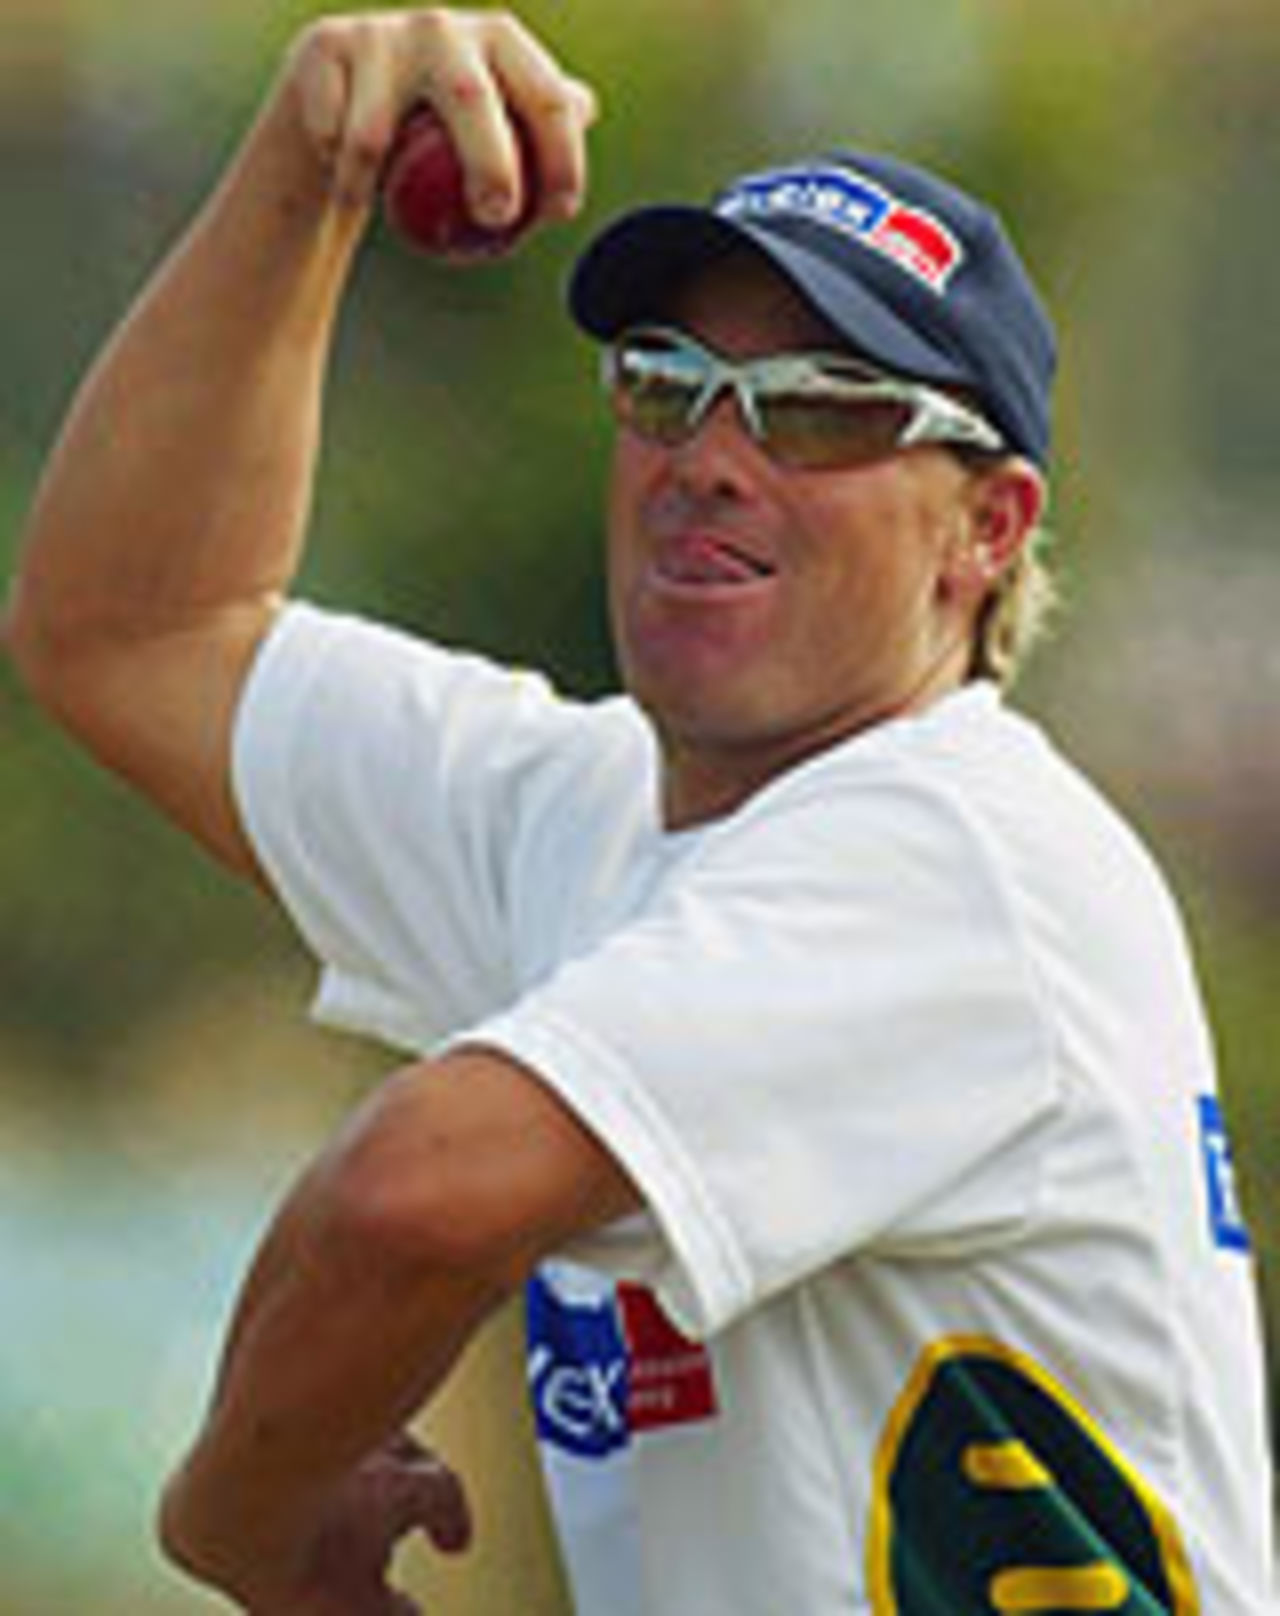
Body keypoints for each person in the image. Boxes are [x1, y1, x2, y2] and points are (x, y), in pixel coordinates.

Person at [5, 8, 1274, 1614]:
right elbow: (130, 631)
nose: (714, 454)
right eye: (669, 385)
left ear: (986, 532)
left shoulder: (958, 850)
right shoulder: (596, 817)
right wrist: (302, 175)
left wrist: (236, 1516)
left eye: (819, 408)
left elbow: (409, 1202)